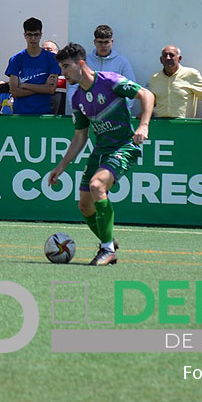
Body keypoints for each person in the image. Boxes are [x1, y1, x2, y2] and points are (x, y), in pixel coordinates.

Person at [48, 43, 154, 266]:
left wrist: (143, 125)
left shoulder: (110, 80)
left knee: (97, 186)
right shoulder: (77, 98)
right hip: (101, 150)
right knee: (85, 206)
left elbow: (146, 94)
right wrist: (61, 166)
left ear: (81, 64)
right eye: (61, 68)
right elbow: (80, 137)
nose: (63, 73)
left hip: (125, 145)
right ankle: (109, 242)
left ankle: (106, 249)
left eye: (66, 67)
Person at [67, 24, 139, 116]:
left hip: (115, 117)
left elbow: (131, 91)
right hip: (88, 114)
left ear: (112, 41)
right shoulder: (85, 61)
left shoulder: (122, 62)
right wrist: (79, 110)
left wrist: (118, 111)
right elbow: (73, 87)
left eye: (106, 42)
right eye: (100, 42)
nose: (103, 46)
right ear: (94, 42)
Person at [4, 17, 61, 115]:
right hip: (20, 114)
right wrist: (42, 87)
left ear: (40, 35)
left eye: (36, 35)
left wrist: (25, 85)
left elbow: (51, 89)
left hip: (43, 114)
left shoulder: (52, 59)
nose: (33, 39)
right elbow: (14, 92)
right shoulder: (16, 59)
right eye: (30, 35)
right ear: (25, 35)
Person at [149, 45, 202, 122]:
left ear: (179, 58)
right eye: (165, 55)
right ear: (161, 60)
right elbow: (151, 102)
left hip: (183, 126)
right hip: (160, 126)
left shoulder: (190, 74)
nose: (168, 58)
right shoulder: (155, 78)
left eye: (172, 55)